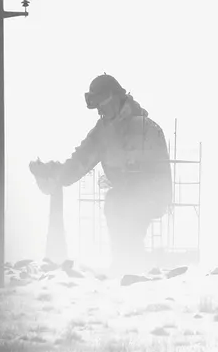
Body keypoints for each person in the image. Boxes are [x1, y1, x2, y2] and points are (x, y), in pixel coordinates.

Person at [30, 73, 172, 275]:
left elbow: (160, 177)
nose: (99, 111)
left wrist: (146, 196)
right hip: (124, 198)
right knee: (116, 202)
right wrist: (52, 173)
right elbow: (79, 163)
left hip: (149, 197)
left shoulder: (147, 129)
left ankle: (132, 264)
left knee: (123, 207)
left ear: (114, 98)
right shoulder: (103, 132)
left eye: (101, 105)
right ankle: (128, 266)